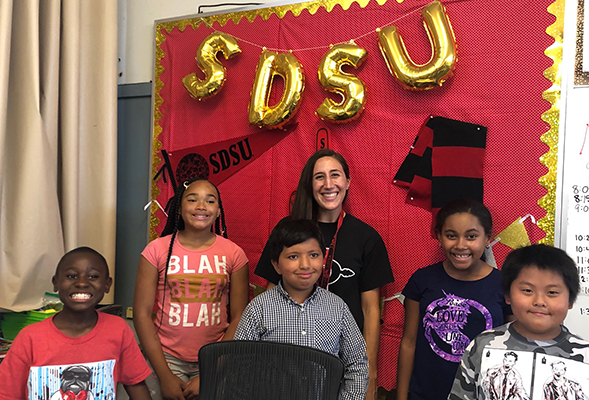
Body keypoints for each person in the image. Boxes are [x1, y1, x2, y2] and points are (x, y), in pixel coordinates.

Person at [254, 149, 394, 399]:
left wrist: (370, 374)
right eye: (319, 177)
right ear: (310, 184)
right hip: (288, 359)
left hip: (342, 364)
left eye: (335, 175)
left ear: (348, 182)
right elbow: (269, 297)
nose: (328, 184)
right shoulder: (288, 232)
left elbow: (371, 310)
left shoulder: (366, 238)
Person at [133, 178, 249, 400]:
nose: (201, 206)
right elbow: (141, 313)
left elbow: (239, 318)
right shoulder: (156, 250)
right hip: (165, 357)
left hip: (216, 357)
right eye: (192, 199)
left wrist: (210, 374)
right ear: (179, 207)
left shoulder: (234, 254)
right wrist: (164, 375)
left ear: (218, 210)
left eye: (210, 201)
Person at [236, 218, 369, 400]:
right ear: (276, 264)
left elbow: (357, 363)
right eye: (293, 256)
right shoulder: (259, 309)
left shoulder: (338, 308)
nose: (305, 265)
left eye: (313, 255)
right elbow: (239, 365)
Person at [0, 247, 152, 400]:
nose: (81, 283)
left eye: (93, 276)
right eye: (72, 276)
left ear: (107, 284)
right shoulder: (30, 337)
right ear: (56, 283)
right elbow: (7, 394)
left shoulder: (118, 329)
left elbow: (136, 384)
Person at [397, 199, 512, 400]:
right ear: (439, 237)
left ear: (487, 238)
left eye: (471, 236)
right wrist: (401, 397)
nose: (461, 245)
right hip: (425, 394)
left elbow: (513, 347)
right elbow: (409, 342)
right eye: (451, 236)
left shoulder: (504, 285)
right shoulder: (423, 280)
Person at [449, 244, 589, 400]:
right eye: (528, 290)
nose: (539, 301)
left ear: (570, 300)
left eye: (552, 292)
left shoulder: (585, 354)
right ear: (508, 295)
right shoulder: (483, 345)